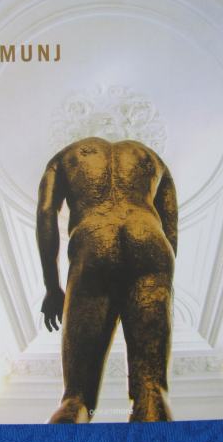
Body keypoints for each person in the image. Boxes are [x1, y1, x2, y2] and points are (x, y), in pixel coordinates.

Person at [36, 137, 177, 423]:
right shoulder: (153, 159)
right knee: (151, 387)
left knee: (76, 397)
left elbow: (46, 213)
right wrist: (160, 277)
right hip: (149, 239)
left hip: (94, 241)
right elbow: (170, 232)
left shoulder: (64, 157)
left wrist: (52, 287)